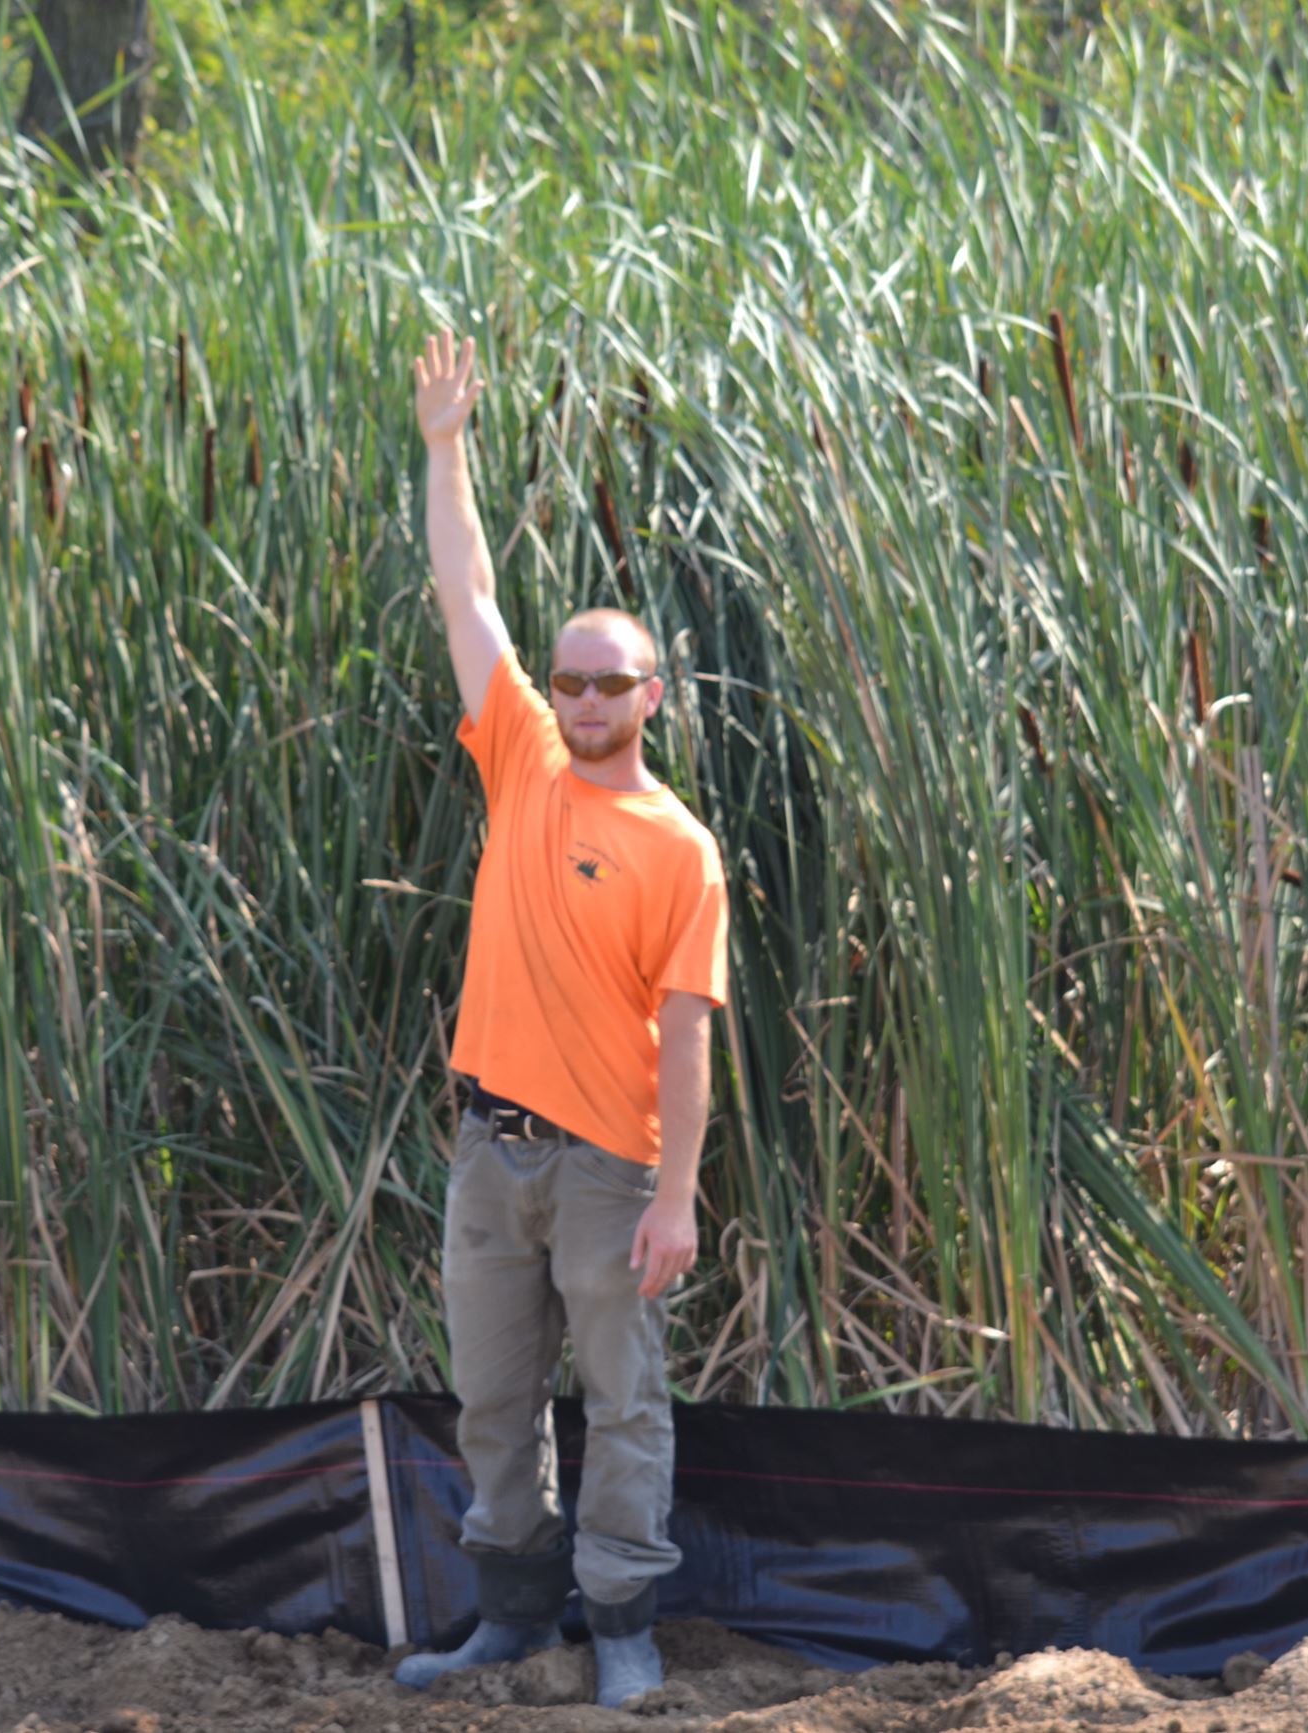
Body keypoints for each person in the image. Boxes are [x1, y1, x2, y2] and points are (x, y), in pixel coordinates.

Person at [390, 331, 730, 1710]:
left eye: (610, 682)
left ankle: (625, 1625)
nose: (584, 699)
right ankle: (512, 1619)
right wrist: (445, 447)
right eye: (572, 678)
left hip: (607, 1169)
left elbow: (690, 1037)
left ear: (652, 697)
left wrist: (677, 1197)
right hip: (490, 1149)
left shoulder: (678, 845)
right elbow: (465, 588)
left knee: (624, 1404)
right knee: (492, 1401)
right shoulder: (521, 754)